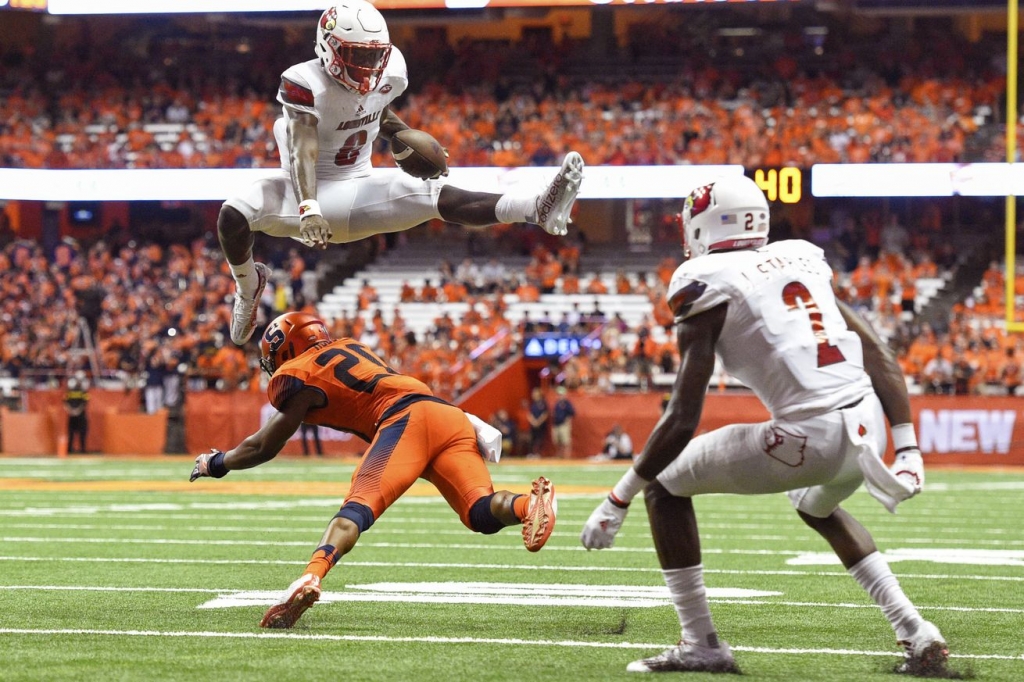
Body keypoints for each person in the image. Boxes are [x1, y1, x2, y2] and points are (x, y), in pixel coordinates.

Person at [580, 176, 948, 676]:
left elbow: (683, 416)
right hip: (868, 429)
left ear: (705, 226)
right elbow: (876, 351)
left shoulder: (705, 279)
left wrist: (617, 497)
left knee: (663, 488)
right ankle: (916, 630)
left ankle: (702, 644)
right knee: (816, 508)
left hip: (810, 438)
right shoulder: (800, 258)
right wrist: (907, 447)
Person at [220, 1, 585, 345]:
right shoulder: (303, 81)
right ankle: (248, 285)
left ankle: (536, 208)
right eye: (358, 56)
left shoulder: (391, 69)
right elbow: (304, 145)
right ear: (328, 49)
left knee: (436, 193)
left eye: (373, 55)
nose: (368, 66)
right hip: (303, 193)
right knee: (233, 214)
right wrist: (309, 207)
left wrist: (408, 138)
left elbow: (374, 110)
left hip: (360, 186)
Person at [190, 311, 556, 628]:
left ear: (285, 348)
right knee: (480, 511)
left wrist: (216, 462)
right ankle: (530, 505)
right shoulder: (350, 346)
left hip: (405, 421)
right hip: (448, 414)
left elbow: (263, 445)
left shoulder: (299, 374)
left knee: (356, 509)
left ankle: (309, 577)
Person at [64, 377, 89, 454]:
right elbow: (85, 403)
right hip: (80, 415)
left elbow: (65, 403)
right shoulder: (83, 392)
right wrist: (77, 411)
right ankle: (81, 449)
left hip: (74, 414)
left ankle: (72, 449)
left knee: (74, 433)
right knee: (78, 433)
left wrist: (71, 411)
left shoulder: (70, 392)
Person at [550, 386, 576, 459]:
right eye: (558, 394)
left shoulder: (567, 404)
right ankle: (559, 456)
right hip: (556, 424)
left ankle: (567, 456)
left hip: (564, 424)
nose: (559, 396)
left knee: (566, 442)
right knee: (558, 442)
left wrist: (567, 420)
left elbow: (572, 413)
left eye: (561, 394)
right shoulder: (557, 404)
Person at [526, 387, 549, 458]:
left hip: (541, 425)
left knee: (540, 439)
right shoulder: (533, 403)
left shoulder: (543, 403)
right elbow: (530, 414)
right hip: (533, 425)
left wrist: (538, 422)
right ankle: (533, 453)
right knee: (533, 439)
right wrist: (533, 421)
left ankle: (538, 453)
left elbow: (545, 414)